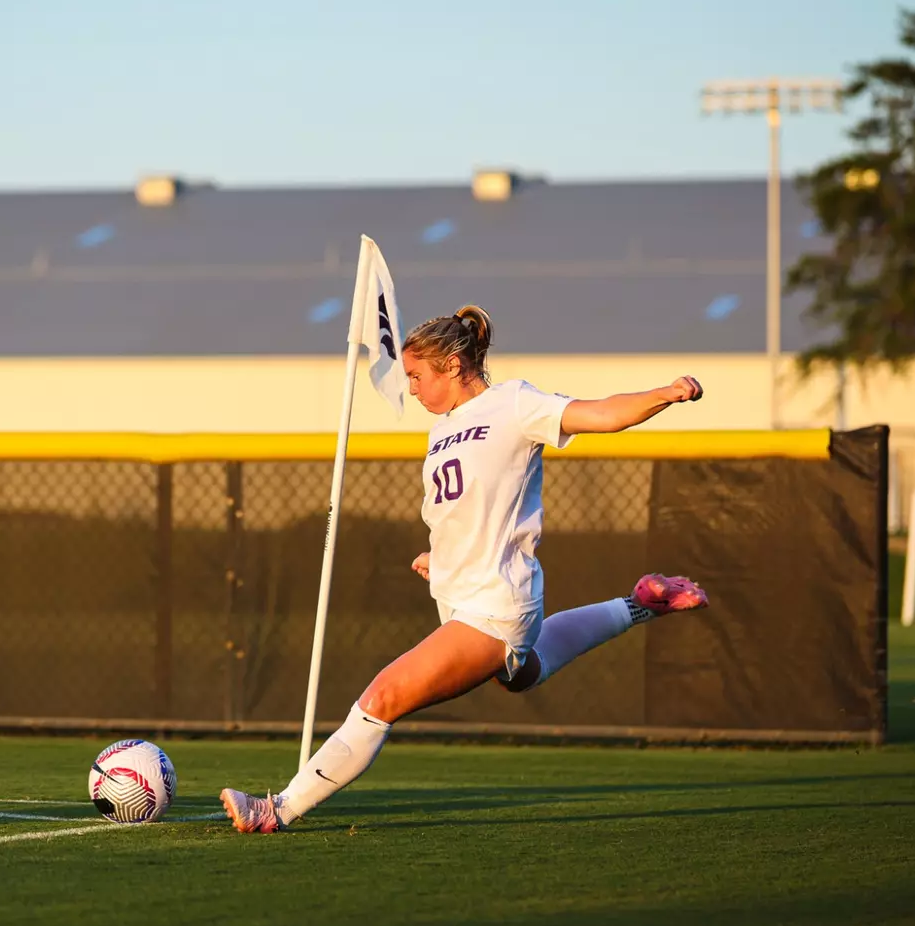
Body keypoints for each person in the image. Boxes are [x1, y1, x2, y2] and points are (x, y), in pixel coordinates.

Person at [219, 305, 709, 833]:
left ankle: (278, 809)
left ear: (453, 366)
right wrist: (443, 559)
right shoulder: (441, 431)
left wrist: (666, 393)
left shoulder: (513, 403)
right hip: (463, 596)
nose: (411, 389)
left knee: (381, 696)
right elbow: (466, 513)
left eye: (417, 376)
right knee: (525, 673)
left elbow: (601, 413)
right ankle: (641, 603)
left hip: (496, 603)